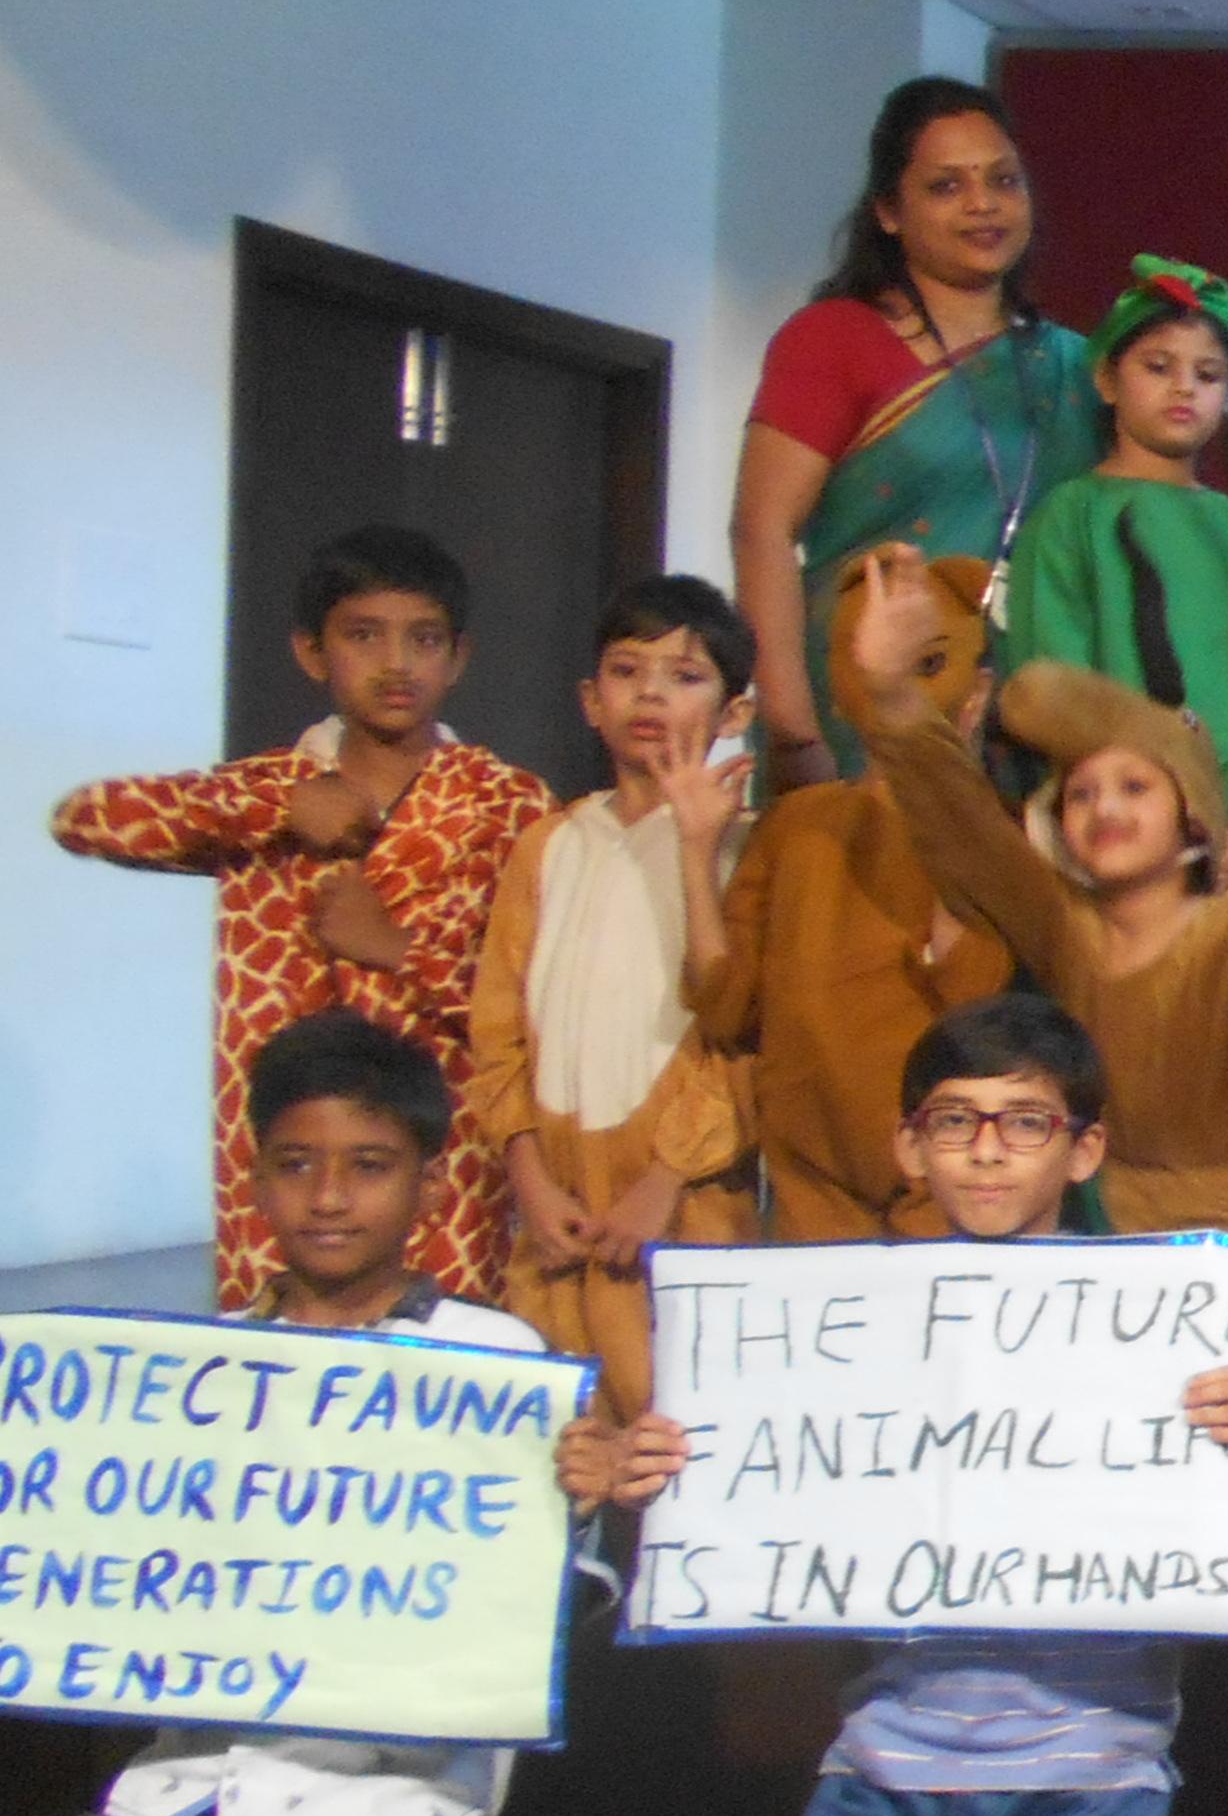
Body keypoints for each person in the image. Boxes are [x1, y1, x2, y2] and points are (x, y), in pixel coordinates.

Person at [605, 994, 1228, 1816]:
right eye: (953, 1120)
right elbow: (765, 1479)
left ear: (1083, 1149)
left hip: (1085, 1775)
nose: (986, 1150)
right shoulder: (836, 1324)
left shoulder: (1158, 1325)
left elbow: (1213, 1518)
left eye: (1025, 1123)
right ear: (908, 1144)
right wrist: (666, 1473)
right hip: (886, 1773)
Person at [0, 1017, 565, 1816]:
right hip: (199, 1776)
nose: (329, 1198)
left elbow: (540, 1589)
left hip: (390, 1790)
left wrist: (580, 1498)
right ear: (255, 1175)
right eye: (297, 1165)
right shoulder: (195, 1370)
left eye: (369, 1167)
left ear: (427, 1185)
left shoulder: (496, 1366)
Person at [838, 544, 1228, 1356]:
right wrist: (894, 691)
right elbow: (964, 835)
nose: (1105, 808)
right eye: (1081, 794)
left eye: (1135, 787)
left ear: (1192, 816)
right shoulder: (1065, 932)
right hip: (1108, 1256)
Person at [54, 525, 546, 1306]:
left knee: (440, 1355)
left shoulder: (508, 804)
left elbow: (533, 1010)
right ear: (312, 653)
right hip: (284, 1156)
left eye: (423, 639)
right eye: (363, 636)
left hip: (444, 1163)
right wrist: (276, 808)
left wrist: (397, 951)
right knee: (278, 1354)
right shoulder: (266, 791)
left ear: (458, 657)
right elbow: (85, 818)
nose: (396, 663)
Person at [729, 75, 1096, 783]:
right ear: (888, 212)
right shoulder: (834, 340)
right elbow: (760, 532)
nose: (983, 204)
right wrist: (794, 736)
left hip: (1035, 726)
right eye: (946, 186)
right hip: (859, 720)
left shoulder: (1076, 368)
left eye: (1003, 180)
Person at [465, 576, 759, 1414]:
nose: (651, 695)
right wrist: (528, 1175)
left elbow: (746, 1036)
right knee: (564, 1428)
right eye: (628, 672)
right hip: (557, 1203)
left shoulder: (752, 850)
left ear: (735, 713)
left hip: (684, 1202)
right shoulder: (548, 844)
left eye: (685, 676)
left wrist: (667, 1179)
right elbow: (497, 1026)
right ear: (592, 701)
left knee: (681, 1419)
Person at [692, 556, 1015, 1240]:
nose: (889, 679)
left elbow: (974, 991)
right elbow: (725, 1006)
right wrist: (695, 856)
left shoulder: (994, 836)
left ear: (979, 691)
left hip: (947, 1169)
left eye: (926, 662)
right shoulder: (794, 825)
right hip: (808, 1176)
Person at [994, 258, 1228, 881]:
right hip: (1109, 841)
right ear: (1107, 379)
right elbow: (1052, 688)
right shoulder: (1070, 518)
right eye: (1158, 367)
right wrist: (1115, 820)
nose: (1184, 388)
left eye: (1208, 374)